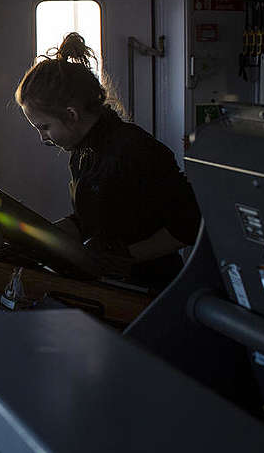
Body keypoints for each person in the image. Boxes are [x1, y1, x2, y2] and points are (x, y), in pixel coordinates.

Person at [15, 32, 200, 289]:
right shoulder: (82, 154)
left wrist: (123, 258)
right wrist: (38, 235)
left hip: (149, 287)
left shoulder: (133, 148)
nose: (42, 138)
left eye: (44, 127)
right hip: (111, 283)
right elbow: (91, 219)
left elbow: (188, 224)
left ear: (71, 115)